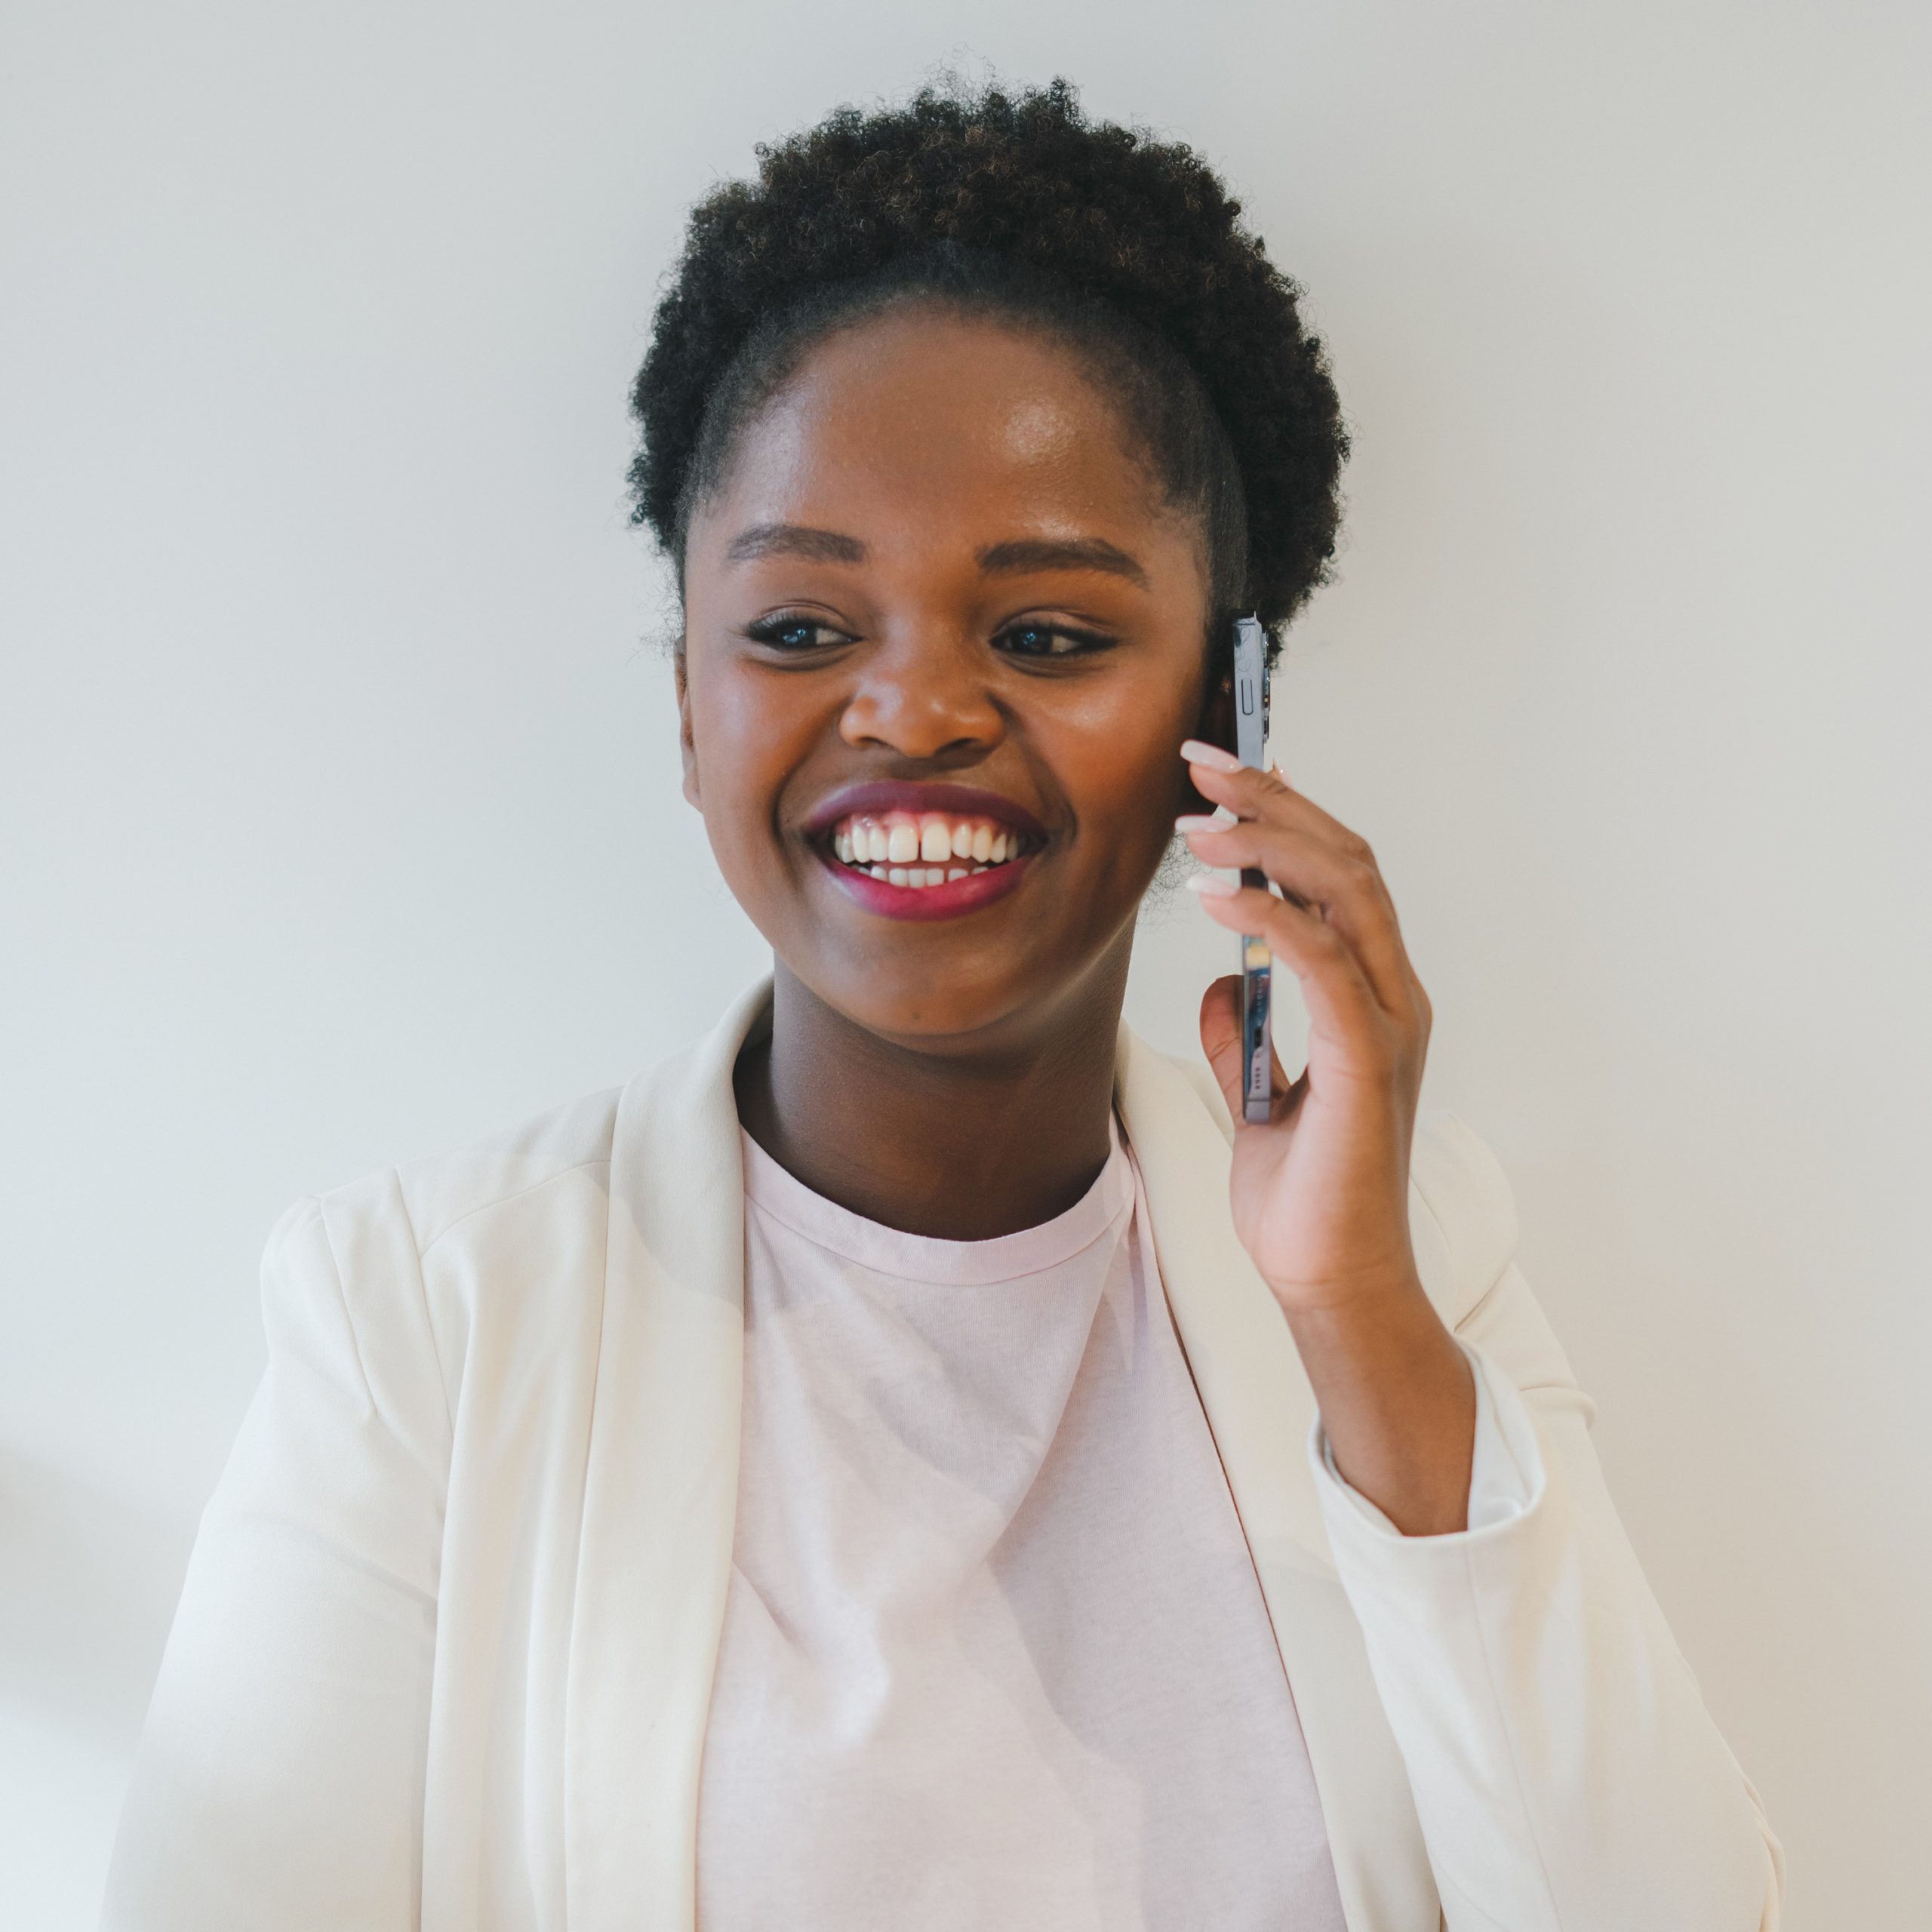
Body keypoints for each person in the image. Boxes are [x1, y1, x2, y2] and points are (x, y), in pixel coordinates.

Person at [103, 78, 1783, 1932]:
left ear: (1220, 721)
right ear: (689, 710)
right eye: (803, 631)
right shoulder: (423, 1310)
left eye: (1047, 635)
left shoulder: (1414, 1246)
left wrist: (1356, 1314)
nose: (912, 713)